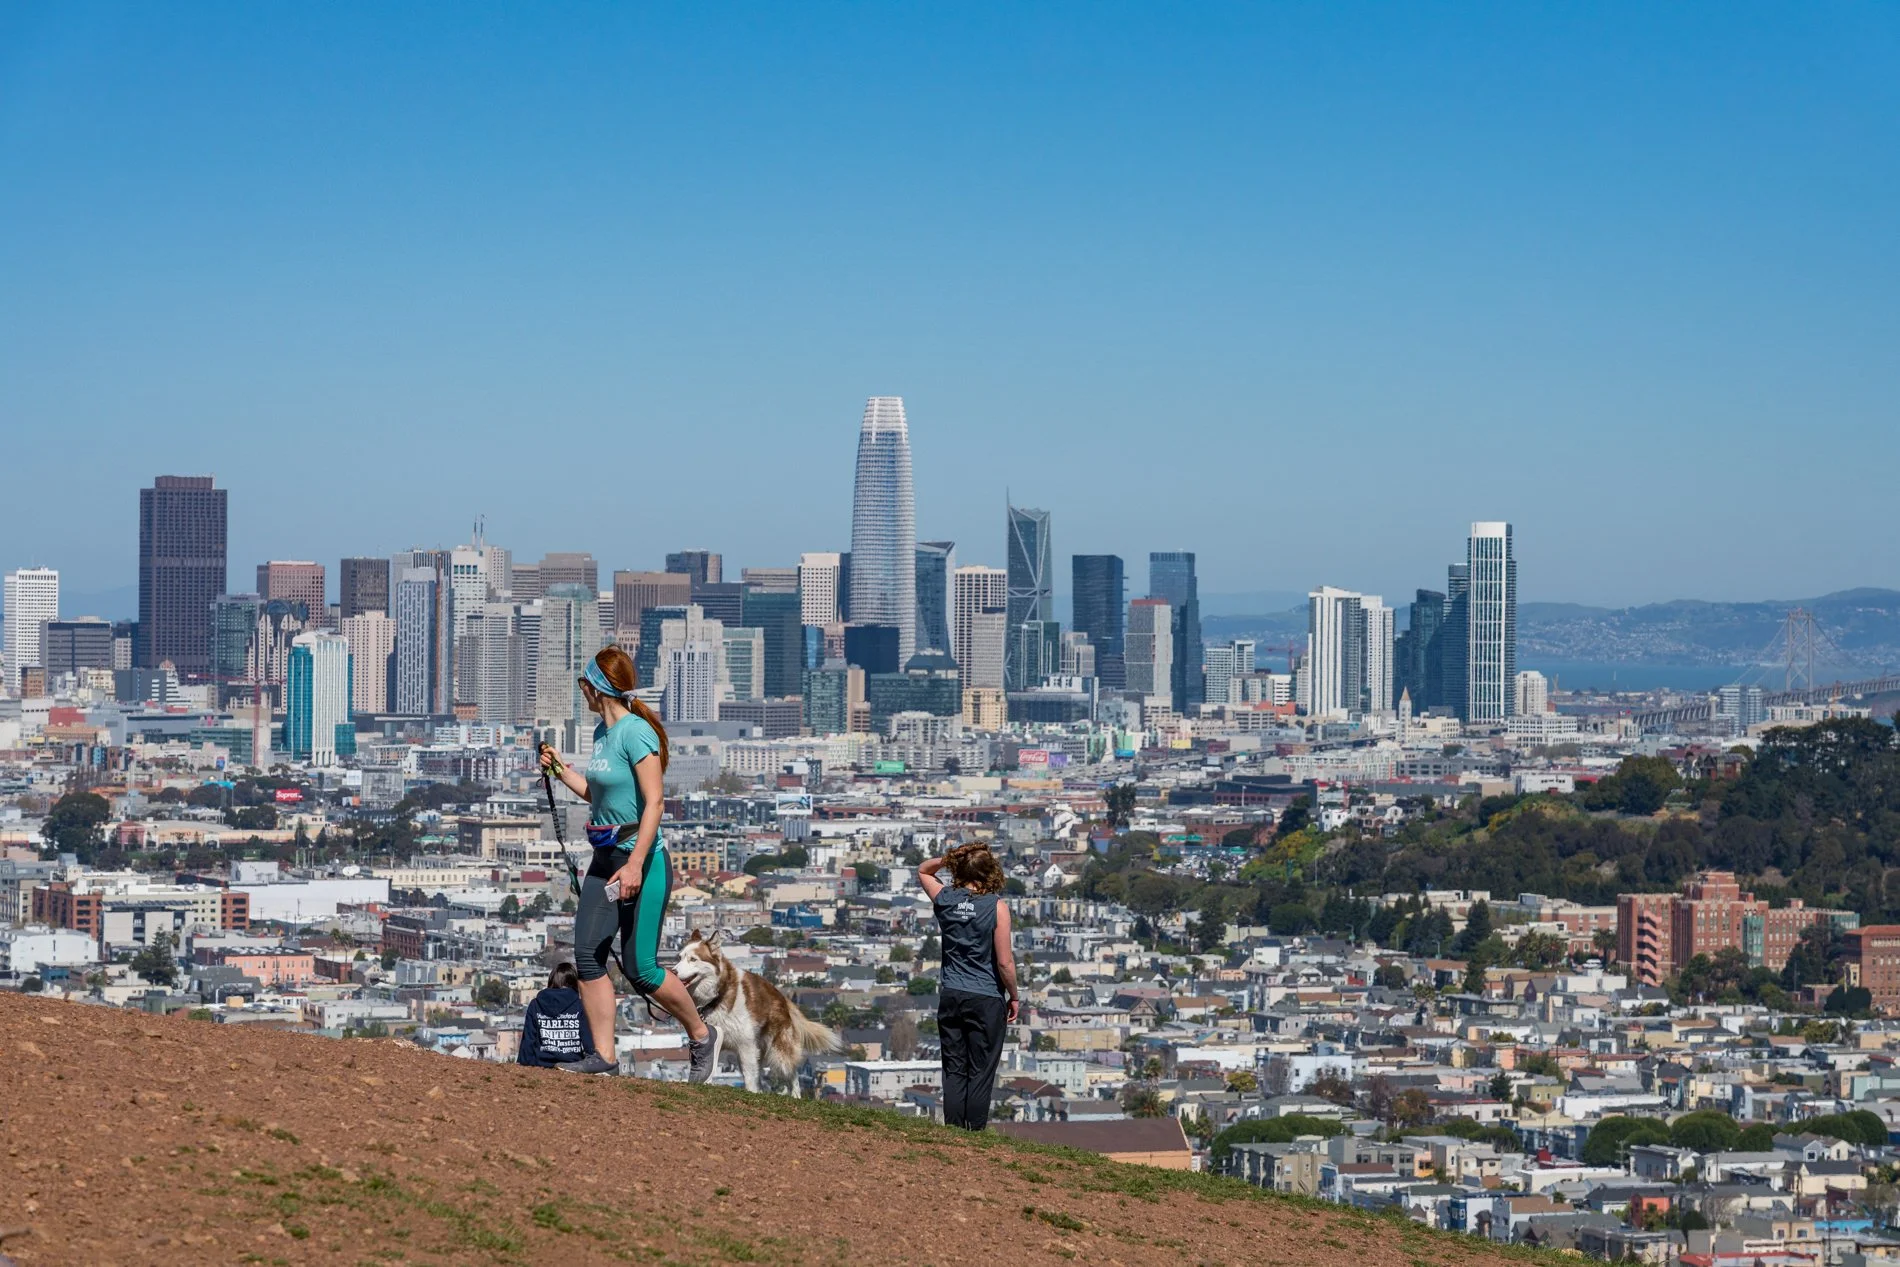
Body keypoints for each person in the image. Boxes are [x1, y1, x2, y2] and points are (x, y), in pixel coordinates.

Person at [538, 646, 715, 1080]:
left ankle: (701, 1035)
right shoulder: (602, 734)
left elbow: (655, 802)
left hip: (643, 859)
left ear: (594, 687)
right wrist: (561, 770)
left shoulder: (636, 733)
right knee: (587, 955)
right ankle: (604, 1056)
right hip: (605, 857)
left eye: (583, 684)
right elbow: (598, 796)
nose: (581, 691)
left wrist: (635, 864)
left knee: (642, 968)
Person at [917, 842, 1019, 1130]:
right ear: (990, 872)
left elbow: (924, 870)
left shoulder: (946, 898)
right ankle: (974, 1132)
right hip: (986, 997)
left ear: (959, 870)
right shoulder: (997, 908)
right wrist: (1014, 996)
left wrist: (951, 858)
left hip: (951, 995)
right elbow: (1004, 963)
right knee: (980, 1070)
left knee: (954, 1068)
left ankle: (953, 1129)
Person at [517, 962, 593, 1068]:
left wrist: (523, 1066)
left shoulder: (536, 1004)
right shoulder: (580, 1006)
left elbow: (528, 1041)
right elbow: (588, 1043)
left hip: (541, 1066)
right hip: (572, 1066)